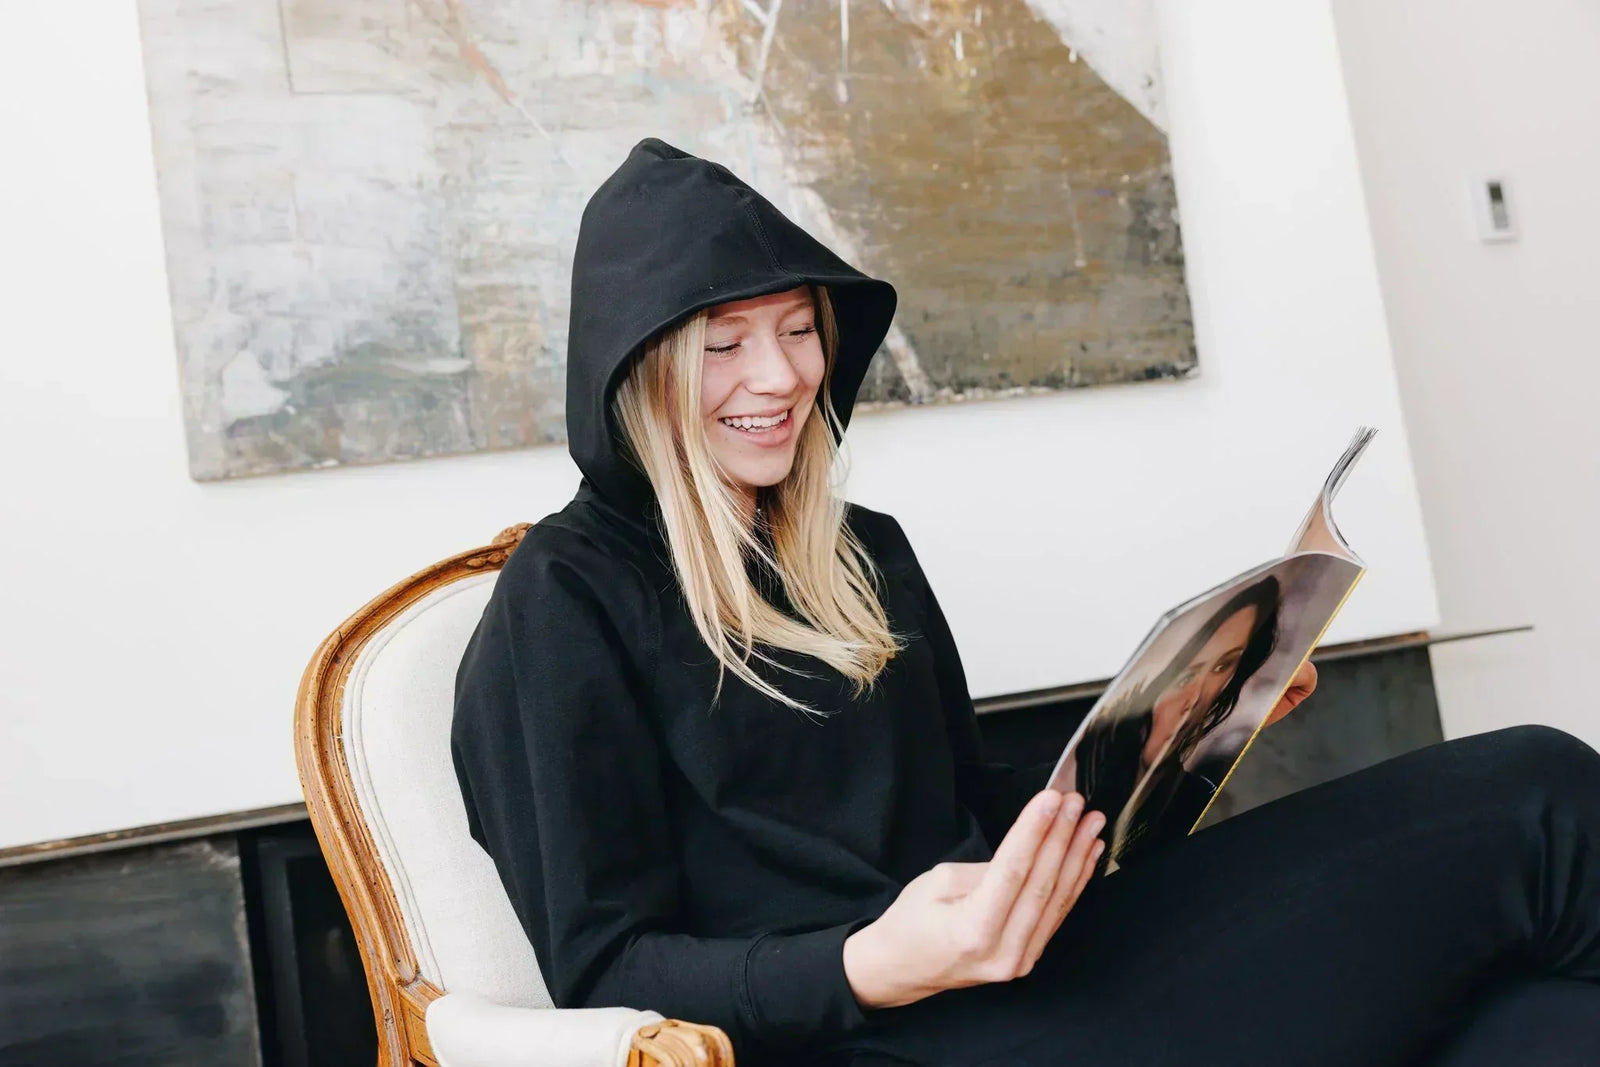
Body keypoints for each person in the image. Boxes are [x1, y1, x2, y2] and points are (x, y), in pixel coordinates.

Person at [450, 138, 1600, 1067]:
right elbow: (603, 972)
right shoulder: (561, 600)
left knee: (1542, 1021)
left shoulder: (860, 551)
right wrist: (864, 962)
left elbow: (965, 807)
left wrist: (1182, 718)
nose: (780, 376)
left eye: (799, 329)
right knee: (1543, 790)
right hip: (876, 1032)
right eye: (724, 343)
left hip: (1042, 964)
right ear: (639, 367)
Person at [1074, 575, 1283, 869]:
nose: (1196, 698)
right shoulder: (1079, 779)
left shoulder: (1192, 795)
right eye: (1184, 675)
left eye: (1223, 666)